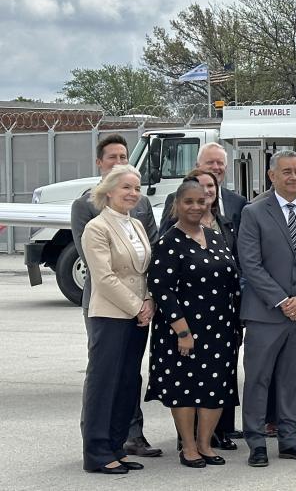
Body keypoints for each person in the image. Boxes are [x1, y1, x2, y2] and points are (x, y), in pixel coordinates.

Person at [71, 135, 161, 459]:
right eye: (113, 157)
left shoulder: (136, 219)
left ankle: (120, 443)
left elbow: (150, 262)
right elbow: (102, 273)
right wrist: (137, 304)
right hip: (109, 310)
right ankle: (96, 449)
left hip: (139, 313)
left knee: (127, 379)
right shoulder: (92, 218)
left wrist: (149, 300)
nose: (133, 193)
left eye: (124, 156)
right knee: (103, 379)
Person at [237, 150, 296, 467]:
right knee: (259, 379)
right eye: (286, 171)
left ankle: (290, 440)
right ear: (272, 176)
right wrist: (282, 300)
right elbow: (250, 263)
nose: (293, 176)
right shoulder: (254, 212)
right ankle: (257, 441)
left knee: (293, 380)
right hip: (265, 313)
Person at [145, 177, 240, 468]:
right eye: (189, 201)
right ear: (176, 205)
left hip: (220, 327)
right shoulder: (168, 242)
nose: (196, 206)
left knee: (216, 386)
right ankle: (188, 447)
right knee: (185, 386)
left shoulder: (213, 236)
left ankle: (205, 444)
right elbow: (161, 289)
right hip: (184, 330)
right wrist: (182, 331)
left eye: (201, 201)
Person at [162, 142, 248, 239]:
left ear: (226, 168)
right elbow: (164, 238)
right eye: (210, 162)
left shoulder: (238, 202)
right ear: (197, 166)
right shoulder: (176, 199)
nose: (215, 167)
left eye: (220, 163)